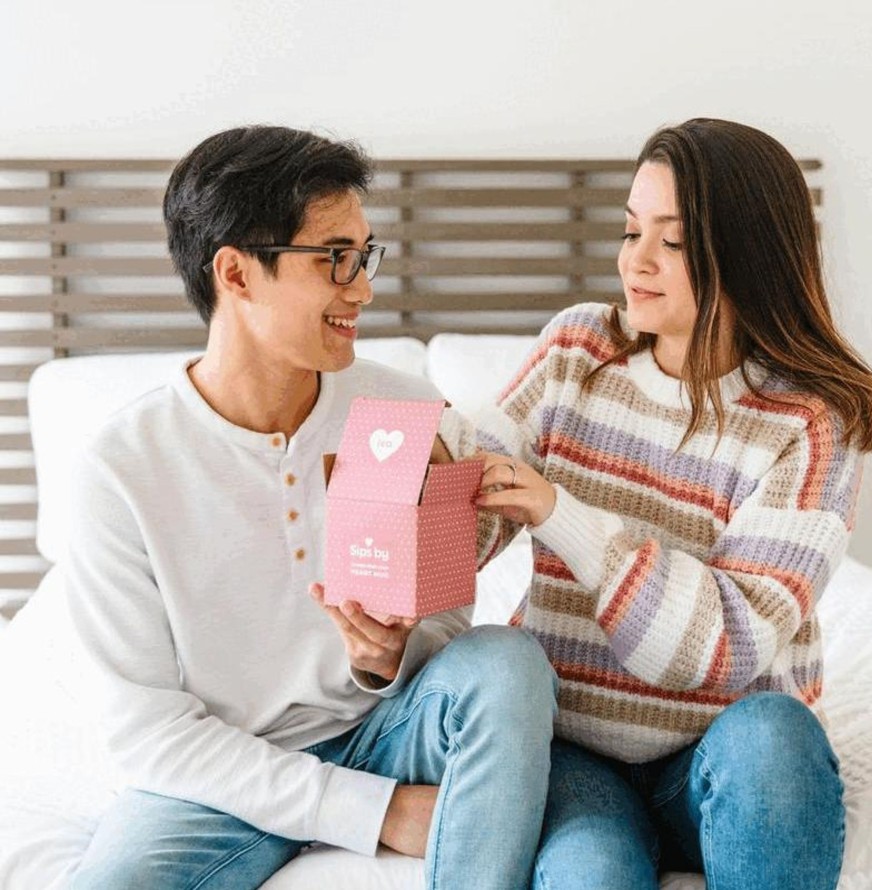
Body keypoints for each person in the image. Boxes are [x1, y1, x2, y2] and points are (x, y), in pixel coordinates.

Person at [66, 125, 558, 890]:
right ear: (235, 272)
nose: (361, 288)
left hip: (390, 730)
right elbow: (150, 733)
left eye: (365, 256)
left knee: (507, 662)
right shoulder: (122, 469)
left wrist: (387, 660)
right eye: (335, 259)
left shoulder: (402, 408)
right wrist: (377, 812)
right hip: (222, 774)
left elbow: (448, 624)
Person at [442, 118, 872, 889]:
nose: (634, 262)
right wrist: (430, 466)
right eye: (629, 230)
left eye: (672, 243)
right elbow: (473, 523)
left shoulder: (813, 425)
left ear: (746, 255)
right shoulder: (576, 352)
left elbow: (720, 655)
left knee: (776, 743)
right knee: (590, 875)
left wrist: (564, 516)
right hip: (580, 751)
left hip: (723, 751)